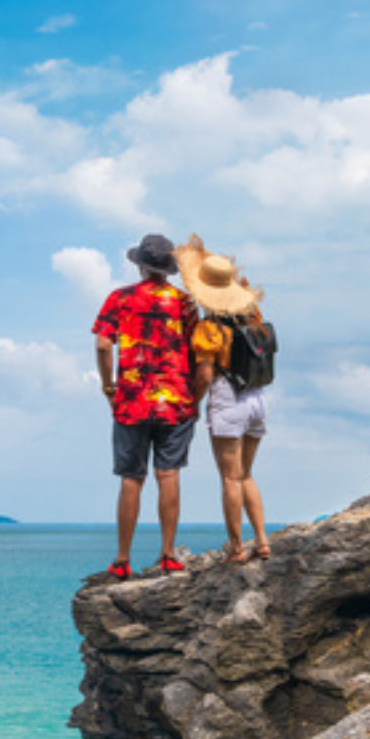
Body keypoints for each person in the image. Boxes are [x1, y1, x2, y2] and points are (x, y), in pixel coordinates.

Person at [92, 233, 199, 580]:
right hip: (175, 400)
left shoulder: (119, 299)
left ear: (140, 264)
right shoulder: (184, 303)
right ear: (167, 268)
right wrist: (193, 395)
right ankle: (168, 554)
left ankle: (122, 559)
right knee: (168, 475)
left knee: (131, 479)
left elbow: (103, 345)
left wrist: (109, 385)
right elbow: (197, 352)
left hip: (132, 400)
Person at [177, 235, 274, 563]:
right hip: (257, 397)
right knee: (247, 474)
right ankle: (261, 541)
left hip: (228, 397)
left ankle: (236, 548)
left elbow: (204, 374)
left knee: (230, 477)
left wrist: (192, 402)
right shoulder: (252, 315)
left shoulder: (209, 328)